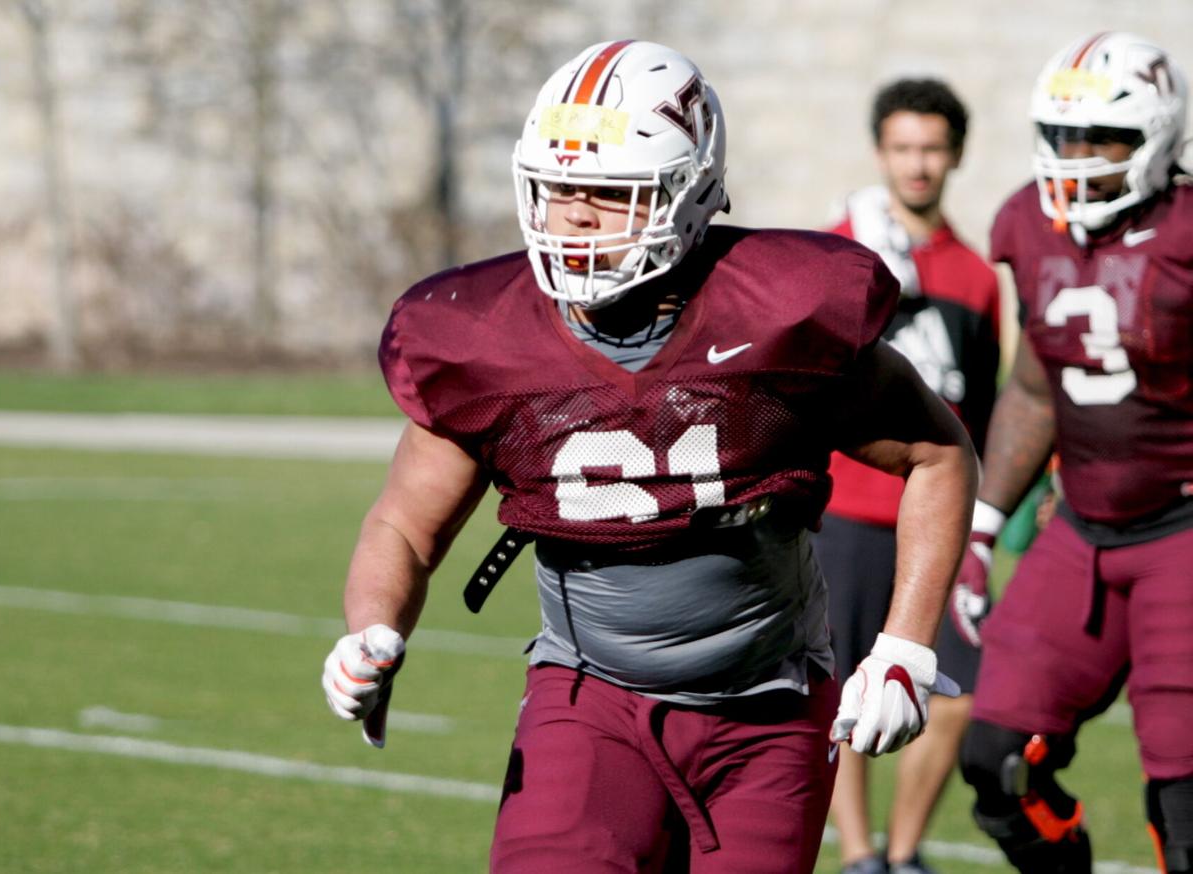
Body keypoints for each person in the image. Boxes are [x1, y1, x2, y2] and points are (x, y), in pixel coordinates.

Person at [320, 39, 977, 873]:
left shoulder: (777, 311)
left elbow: (937, 456)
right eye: (558, 191)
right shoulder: (489, 339)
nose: (576, 217)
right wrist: (371, 627)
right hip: (588, 696)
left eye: (609, 193)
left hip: (766, 708)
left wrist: (905, 649)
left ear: (690, 195)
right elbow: (406, 527)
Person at [954, 31, 1193, 874]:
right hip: (1083, 527)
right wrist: (983, 527)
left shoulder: (1187, 231)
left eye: (1105, 139)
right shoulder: (1029, 221)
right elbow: (1031, 386)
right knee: (996, 760)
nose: (1079, 157)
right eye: (1064, 135)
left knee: (1186, 808)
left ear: (1159, 138)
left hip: (1185, 532)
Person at [815, 79, 1000, 874]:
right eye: (902, 147)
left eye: (931, 147)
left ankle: (905, 850)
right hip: (845, 513)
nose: (917, 164)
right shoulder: (839, 250)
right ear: (880, 151)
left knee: (962, 694)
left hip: (941, 522)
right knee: (839, 687)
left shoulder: (976, 275)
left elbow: (983, 411)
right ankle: (859, 855)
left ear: (955, 153)